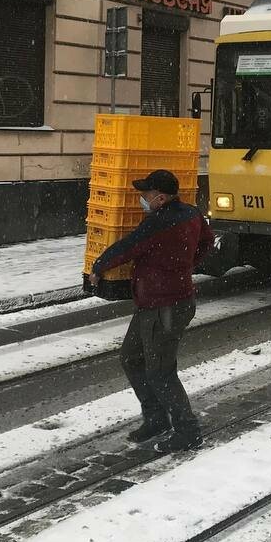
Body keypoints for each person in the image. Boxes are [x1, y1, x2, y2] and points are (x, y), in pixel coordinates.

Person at [89, 169, 214, 454]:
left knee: (160, 371)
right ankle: (157, 418)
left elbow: (127, 247)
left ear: (160, 197)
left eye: (145, 194)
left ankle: (188, 431)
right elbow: (207, 240)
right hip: (156, 303)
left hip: (166, 306)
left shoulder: (159, 222)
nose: (142, 199)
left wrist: (99, 267)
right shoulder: (191, 213)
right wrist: (187, 264)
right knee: (131, 358)